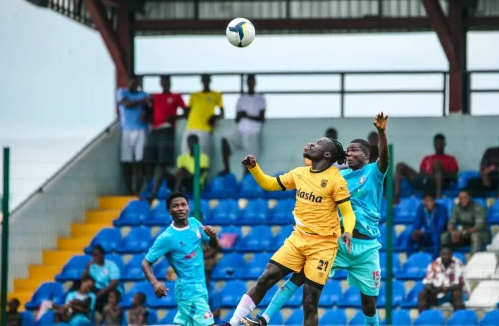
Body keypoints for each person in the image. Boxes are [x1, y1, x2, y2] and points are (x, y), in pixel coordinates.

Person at [244, 113, 390, 326]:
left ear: (367, 155)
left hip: (366, 248)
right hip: (338, 242)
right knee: (299, 276)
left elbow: (384, 158)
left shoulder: (374, 172)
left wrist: (381, 132)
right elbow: (316, 170)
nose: (349, 154)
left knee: (369, 305)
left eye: (354, 150)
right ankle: (263, 318)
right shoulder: (338, 176)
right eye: (347, 151)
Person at [220, 137, 355, 326]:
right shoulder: (299, 173)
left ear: (326, 154)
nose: (310, 144)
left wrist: (347, 231)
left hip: (323, 246)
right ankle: (233, 323)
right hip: (298, 239)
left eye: (317, 144)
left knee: (309, 301)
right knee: (267, 277)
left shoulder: (336, 180)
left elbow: (348, 213)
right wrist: (254, 168)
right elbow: (269, 184)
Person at [141, 192, 219, 326]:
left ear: (188, 207)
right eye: (175, 206)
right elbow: (145, 263)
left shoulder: (195, 223)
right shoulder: (167, 237)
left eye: (183, 204)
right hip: (189, 292)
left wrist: (212, 237)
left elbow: (213, 245)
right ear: (169, 211)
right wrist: (155, 283)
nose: (180, 208)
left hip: (200, 289)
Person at [144, 76, 187, 203]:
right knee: (149, 162)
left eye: (167, 82)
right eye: (163, 82)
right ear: (160, 84)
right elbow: (148, 111)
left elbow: (186, 112)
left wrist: (174, 117)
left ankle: (153, 194)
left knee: (162, 165)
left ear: (170, 83)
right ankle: (150, 189)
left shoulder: (176, 97)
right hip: (155, 130)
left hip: (167, 129)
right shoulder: (154, 97)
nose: (165, 85)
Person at [221, 74, 266, 175]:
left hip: (254, 132)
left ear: (254, 83)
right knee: (225, 142)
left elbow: (262, 118)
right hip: (241, 130)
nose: (250, 84)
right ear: (246, 83)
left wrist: (247, 115)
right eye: (248, 82)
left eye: (252, 82)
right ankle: (226, 169)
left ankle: (246, 184)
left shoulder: (260, 99)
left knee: (250, 163)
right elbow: (236, 119)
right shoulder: (241, 99)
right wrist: (240, 115)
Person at [394, 133, 459, 202]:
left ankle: (438, 195)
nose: (438, 145)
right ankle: (397, 195)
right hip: (424, 181)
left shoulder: (450, 159)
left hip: (440, 183)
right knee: (400, 165)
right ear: (433, 144)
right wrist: (430, 176)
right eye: (436, 143)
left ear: (444, 144)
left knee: (437, 163)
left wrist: (440, 172)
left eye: (440, 143)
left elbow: (454, 176)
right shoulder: (427, 158)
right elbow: (421, 172)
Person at [117, 75, 150, 195]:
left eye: (136, 83)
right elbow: (126, 104)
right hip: (126, 131)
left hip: (141, 130)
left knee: (140, 162)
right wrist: (142, 101)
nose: (134, 85)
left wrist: (146, 114)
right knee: (127, 163)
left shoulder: (144, 94)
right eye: (132, 82)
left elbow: (150, 109)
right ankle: (129, 191)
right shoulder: (122, 92)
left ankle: (137, 191)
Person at [182, 74, 224, 156]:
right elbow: (187, 111)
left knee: (202, 157)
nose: (205, 81)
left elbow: (222, 113)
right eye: (204, 79)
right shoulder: (194, 95)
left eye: (207, 79)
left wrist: (215, 117)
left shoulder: (217, 95)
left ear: (210, 81)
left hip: (204, 129)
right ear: (201, 81)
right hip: (190, 127)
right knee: (186, 155)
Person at [418, 247, 466, 312]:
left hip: (451, 293)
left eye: (448, 254)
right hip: (437, 292)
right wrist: (438, 289)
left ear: (452, 255)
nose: (446, 256)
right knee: (422, 294)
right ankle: (422, 318)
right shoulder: (433, 265)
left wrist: (447, 288)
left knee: (457, 293)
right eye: (443, 254)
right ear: (440, 255)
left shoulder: (458, 264)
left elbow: (461, 284)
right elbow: (426, 284)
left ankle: (457, 319)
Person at [408, 193, 447, 259]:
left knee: (436, 237)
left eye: (429, 200)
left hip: (438, 235)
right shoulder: (421, 209)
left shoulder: (441, 209)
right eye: (424, 200)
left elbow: (440, 228)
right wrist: (415, 232)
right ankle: (411, 259)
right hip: (426, 236)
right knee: (410, 237)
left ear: (434, 201)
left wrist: (424, 232)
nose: (426, 203)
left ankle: (434, 261)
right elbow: (417, 223)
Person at [82, 245, 122, 311]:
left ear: (103, 255)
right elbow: (83, 280)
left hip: (110, 289)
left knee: (98, 298)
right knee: (76, 285)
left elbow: (113, 284)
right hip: (97, 288)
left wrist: (99, 293)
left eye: (97, 255)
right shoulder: (92, 266)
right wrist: (87, 268)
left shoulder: (111, 265)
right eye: (93, 255)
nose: (95, 257)